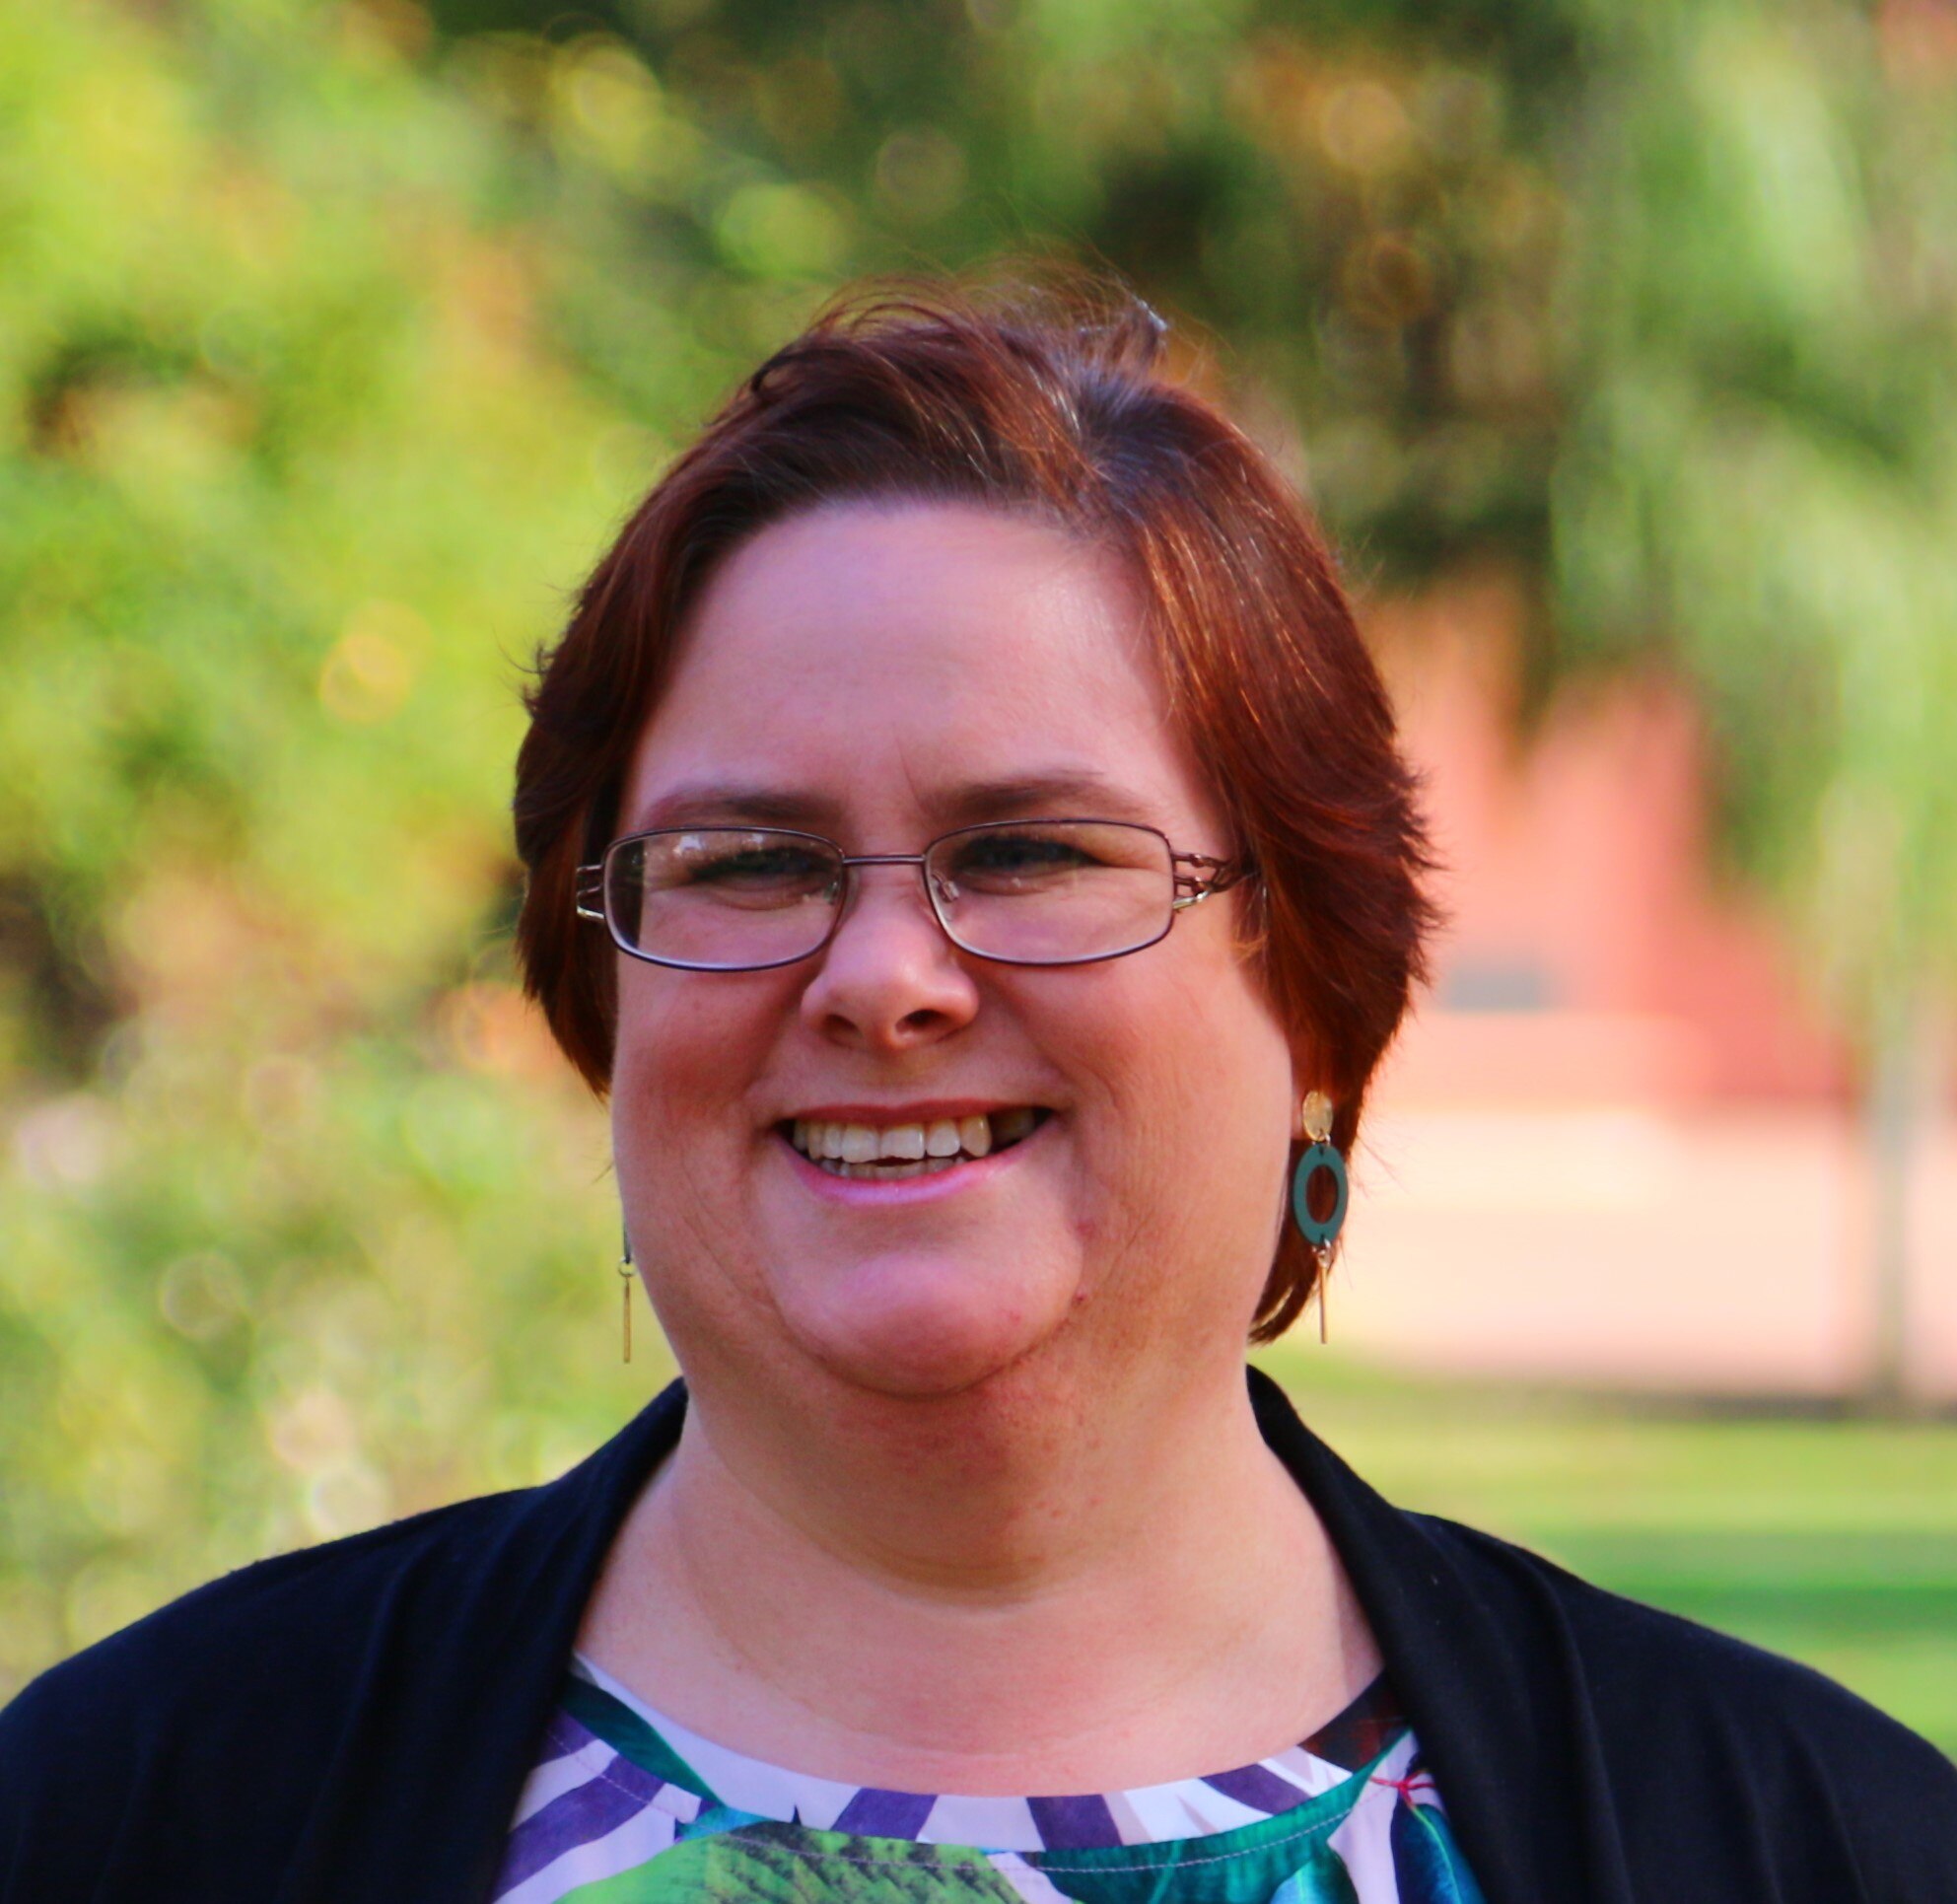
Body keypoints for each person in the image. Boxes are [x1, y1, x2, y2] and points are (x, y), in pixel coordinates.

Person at [2, 280, 1952, 1904]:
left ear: (1320, 1003)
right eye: (747, 864)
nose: (881, 981)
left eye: (1025, 852)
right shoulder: (128, 1817)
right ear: (606, 997)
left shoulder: (1818, 1849)